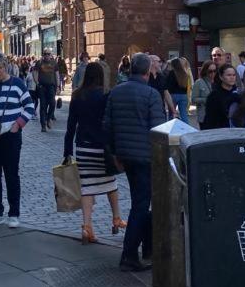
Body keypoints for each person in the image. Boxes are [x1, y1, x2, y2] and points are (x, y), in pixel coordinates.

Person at [103, 53, 165, 272]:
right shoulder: (151, 94)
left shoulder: (116, 92)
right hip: (145, 157)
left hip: (126, 156)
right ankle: (130, 254)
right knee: (141, 204)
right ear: (147, 72)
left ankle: (146, 247)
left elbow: (107, 126)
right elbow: (159, 130)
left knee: (142, 200)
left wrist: (115, 153)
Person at [64, 62, 126, 243]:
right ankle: (116, 218)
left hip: (83, 148)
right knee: (111, 182)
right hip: (102, 148)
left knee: (87, 187)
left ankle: (87, 226)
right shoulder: (106, 96)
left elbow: (70, 127)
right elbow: (111, 123)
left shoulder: (77, 96)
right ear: (101, 76)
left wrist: (67, 151)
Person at [0, 52, 35, 227]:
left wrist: (18, 124)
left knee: (11, 175)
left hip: (10, 136)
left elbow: (29, 106)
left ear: (5, 67)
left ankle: (14, 213)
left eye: (0, 68)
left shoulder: (17, 84)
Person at [200, 63, 239, 130]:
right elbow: (210, 119)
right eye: (229, 75)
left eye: (234, 75)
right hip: (219, 131)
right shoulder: (214, 95)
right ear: (221, 77)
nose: (232, 77)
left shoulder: (238, 93)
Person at [33, 50, 59, 131]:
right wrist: (37, 82)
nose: (47, 55)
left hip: (51, 86)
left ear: (50, 55)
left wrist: (58, 86)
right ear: (43, 55)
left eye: (48, 54)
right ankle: (43, 125)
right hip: (42, 86)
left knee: (52, 103)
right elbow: (35, 72)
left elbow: (57, 74)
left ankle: (48, 119)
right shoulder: (39, 63)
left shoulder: (54, 63)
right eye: (45, 54)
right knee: (43, 106)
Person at [164, 57, 192, 123]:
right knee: (184, 114)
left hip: (173, 95)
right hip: (184, 95)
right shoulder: (184, 73)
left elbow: (168, 86)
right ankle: (186, 128)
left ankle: (171, 129)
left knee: (171, 113)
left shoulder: (171, 73)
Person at [191, 60, 216, 126]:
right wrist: (206, 100)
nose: (213, 73)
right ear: (205, 71)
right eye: (210, 71)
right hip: (204, 116)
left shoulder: (217, 83)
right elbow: (193, 100)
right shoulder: (199, 82)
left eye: (214, 71)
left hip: (216, 116)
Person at [149, 55, 175, 119]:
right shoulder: (145, 77)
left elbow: (166, 93)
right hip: (149, 110)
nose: (161, 64)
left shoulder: (161, 77)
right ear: (152, 62)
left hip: (161, 109)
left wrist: (173, 110)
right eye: (159, 61)